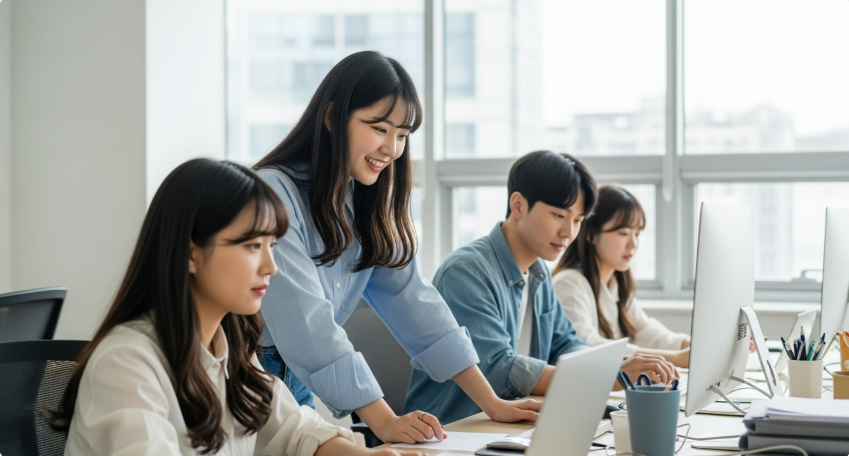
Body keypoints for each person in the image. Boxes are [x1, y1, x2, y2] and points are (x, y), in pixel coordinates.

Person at [253, 51, 539, 442]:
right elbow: (308, 324)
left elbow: (415, 303)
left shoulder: (366, 204)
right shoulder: (273, 193)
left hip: (294, 377)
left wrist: (493, 404)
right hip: (244, 371)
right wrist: (385, 422)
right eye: (379, 128)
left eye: (403, 135)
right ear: (332, 118)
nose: (391, 148)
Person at [53, 159, 421, 456]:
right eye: (251, 246)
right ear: (191, 253)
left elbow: (297, 432)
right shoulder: (126, 363)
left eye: (271, 245)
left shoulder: (231, 355)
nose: (270, 267)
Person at [405, 151, 678, 424]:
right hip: (452, 430)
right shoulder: (466, 272)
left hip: (510, 426)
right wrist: (606, 376)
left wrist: (609, 368)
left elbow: (566, 344)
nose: (569, 232)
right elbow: (497, 368)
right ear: (518, 205)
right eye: (559, 215)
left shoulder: (539, 275)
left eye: (577, 220)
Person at [552, 185, 692, 367]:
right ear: (591, 234)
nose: (633, 244)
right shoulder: (569, 283)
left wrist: (688, 345)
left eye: (637, 233)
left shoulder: (616, 281)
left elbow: (644, 330)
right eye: (623, 233)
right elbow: (585, 344)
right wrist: (675, 359)